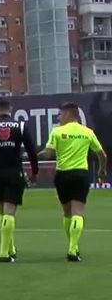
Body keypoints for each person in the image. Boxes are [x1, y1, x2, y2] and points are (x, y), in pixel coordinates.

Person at [38, 103, 107, 262]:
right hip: (80, 174)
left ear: (69, 114)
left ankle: (72, 245)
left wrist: (33, 156)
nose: (59, 118)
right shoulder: (87, 132)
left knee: (67, 213)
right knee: (78, 212)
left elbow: (48, 154)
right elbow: (102, 154)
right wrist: (101, 170)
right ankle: (73, 248)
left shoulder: (57, 132)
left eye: (61, 114)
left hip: (62, 175)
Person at [0, 99, 38, 262]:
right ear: (10, 109)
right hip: (14, 171)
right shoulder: (20, 126)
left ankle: (10, 248)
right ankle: (4, 252)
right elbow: (31, 150)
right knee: (10, 212)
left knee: (2, 210)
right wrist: (34, 171)